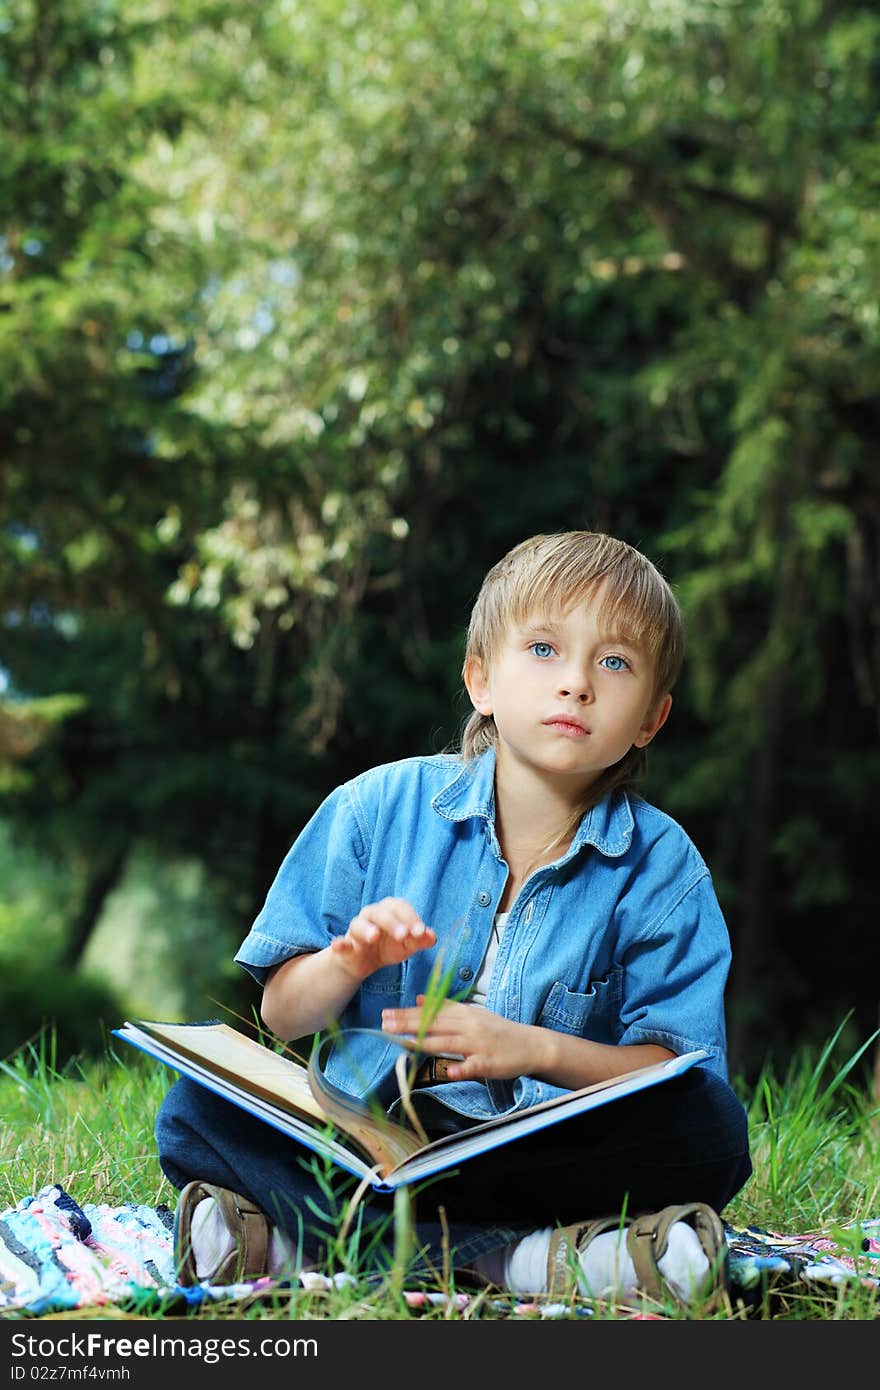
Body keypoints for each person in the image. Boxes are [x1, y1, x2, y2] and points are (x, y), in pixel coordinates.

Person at [155, 530, 752, 1308]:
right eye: (543, 649)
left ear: (651, 718)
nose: (576, 684)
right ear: (481, 680)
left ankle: (313, 1247)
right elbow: (283, 1015)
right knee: (194, 1110)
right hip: (365, 1144)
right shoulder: (373, 808)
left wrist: (532, 1049)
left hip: (539, 1161)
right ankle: (530, 1263)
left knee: (710, 1128)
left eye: (614, 662)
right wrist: (347, 962)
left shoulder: (665, 869)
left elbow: (676, 1069)